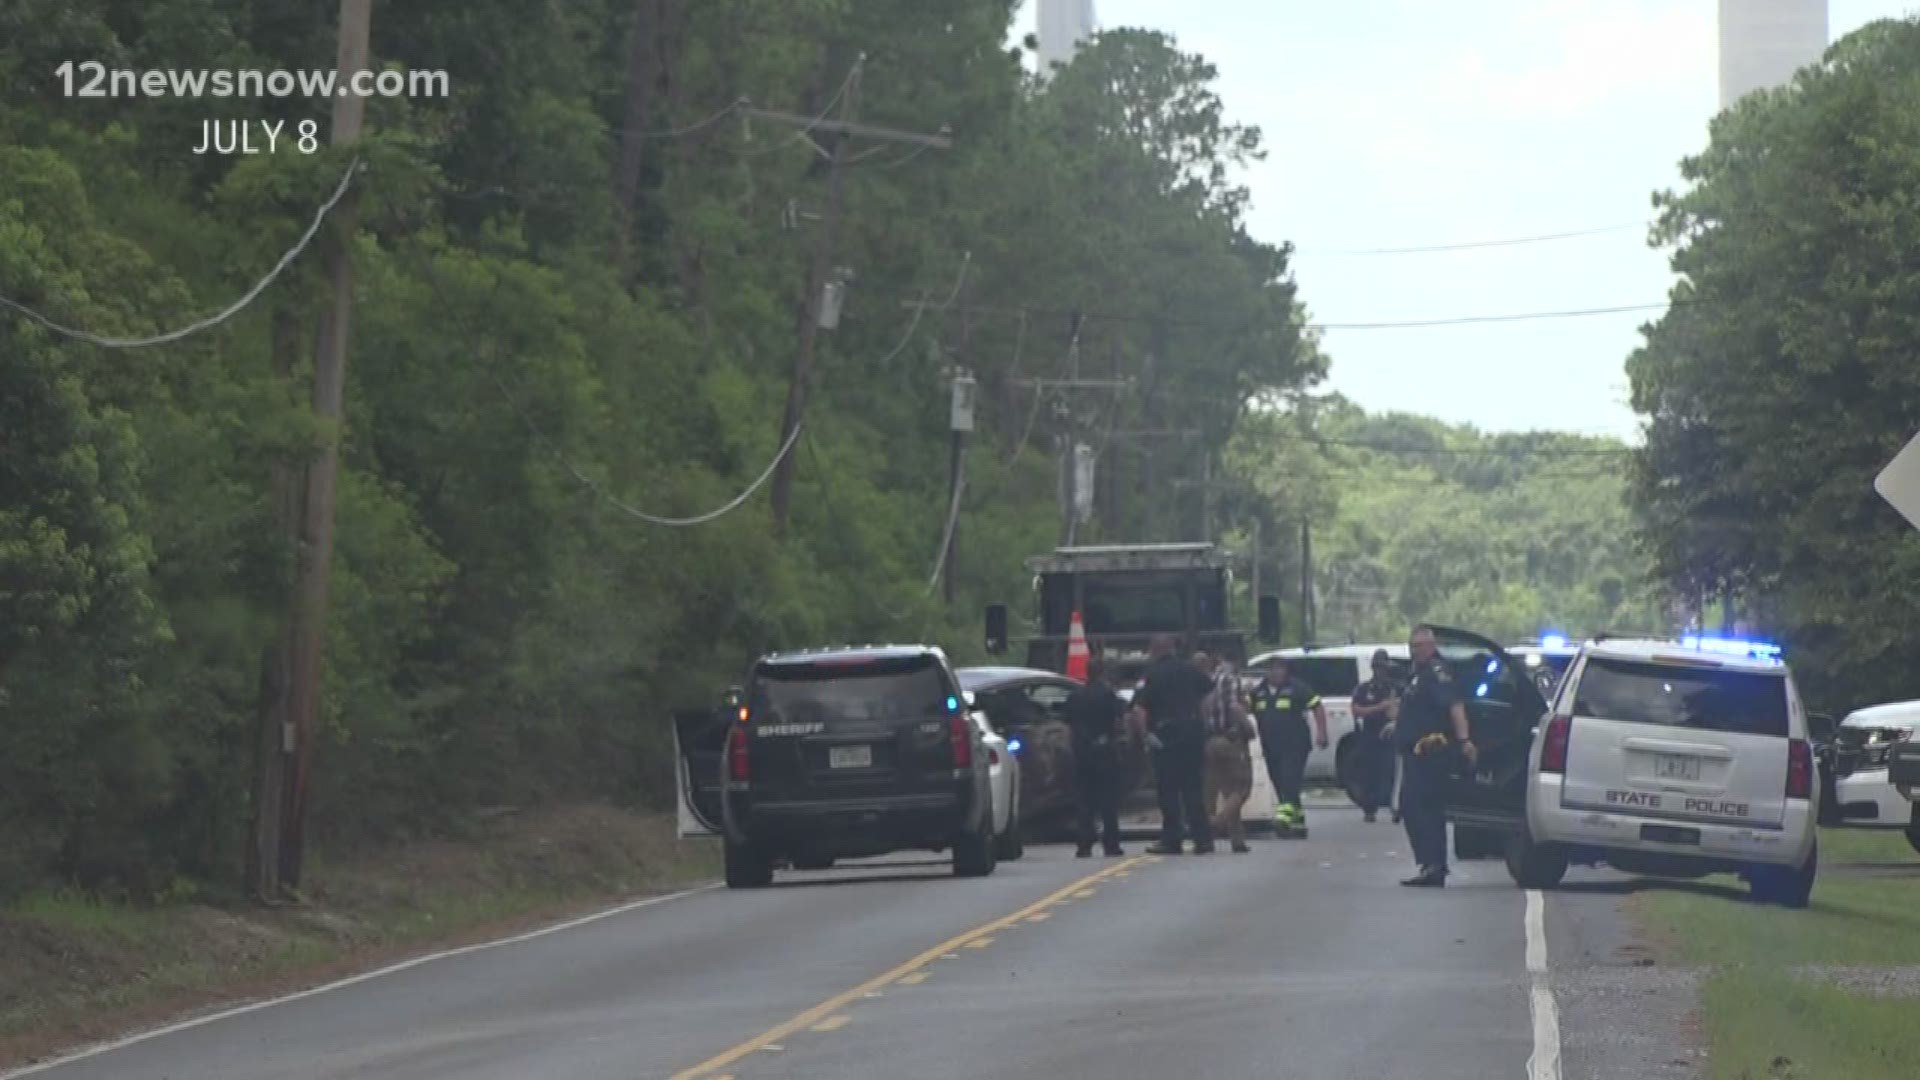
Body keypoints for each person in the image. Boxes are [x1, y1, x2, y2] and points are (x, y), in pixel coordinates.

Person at [1387, 625, 1478, 888]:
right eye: (1412, 646)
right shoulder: (1418, 673)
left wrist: (1464, 741)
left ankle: (1434, 865)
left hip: (1431, 750)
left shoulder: (1438, 672)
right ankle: (1430, 864)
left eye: (1419, 646)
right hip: (1415, 751)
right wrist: (1398, 724)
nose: (1414, 651)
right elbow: (1417, 708)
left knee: (1421, 806)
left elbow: (1455, 706)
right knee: (1416, 807)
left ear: (1431, 645)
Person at [1132, 634, 1215, 855]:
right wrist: (1203, 724)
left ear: (1155, 650)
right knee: (1193, 787)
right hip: (1192, 733)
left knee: (1168, 789)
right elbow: (1208, 696)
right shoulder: (1190, 669)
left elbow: (1139, 710)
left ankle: (1172, 839)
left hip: (1165, 736)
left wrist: (1146, 736)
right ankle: (1203, 839)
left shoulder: (1151, 675)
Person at [1248, 655, 1329, 838]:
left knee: (1289, 780)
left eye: (1279, 669)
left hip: (1295, 745)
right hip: (1270, 745)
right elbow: (1246, 710)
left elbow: (1317, 706)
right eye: (1271, 669)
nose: (1275, 673)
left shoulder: (1297, 688)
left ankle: (1283, 819)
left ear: (1286, 671)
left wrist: (1321, 732)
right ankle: (1297, 821)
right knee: (1278, 781)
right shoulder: (1258, 692)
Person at [1064, 657, 1128, 858]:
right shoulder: (1108, 695)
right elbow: (1121, 717)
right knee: (1108, 800)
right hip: (1104, 751)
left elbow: (1067, 721)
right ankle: (1111, 844)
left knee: (1085, 801)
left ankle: (1084, 844)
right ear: (1101, 673)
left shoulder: (1075, 696)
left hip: (1082, 753)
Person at [1199, 652, 1255, 854]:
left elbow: (1202, 710)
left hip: (1210, 740)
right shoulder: (1229, 679)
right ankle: (1218, 821)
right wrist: (1248, 727)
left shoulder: (1206, 682)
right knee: (1241, 788)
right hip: (1230, 739)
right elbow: (1234, 706)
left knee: (1213, 790)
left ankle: (1233, 839)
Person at [1349, 650, 1402, 823]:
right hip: (1369, 735)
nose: (1381, 670)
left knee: (1391, 773)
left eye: (1383, 667)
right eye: (1378, 667)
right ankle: (1369, 809)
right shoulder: (1364, 688)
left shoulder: (1395, 687)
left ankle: (1395, 808)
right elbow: (1356, 710)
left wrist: (1392, 710)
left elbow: (1399, 711)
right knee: (1369, 774)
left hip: (1390, 735)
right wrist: (1380, 707)